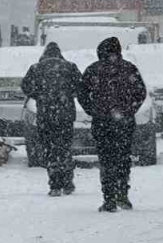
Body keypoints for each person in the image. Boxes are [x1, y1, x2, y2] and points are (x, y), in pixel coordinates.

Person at [78, 37, 147, 212]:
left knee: (106, 160)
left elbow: (82, 93)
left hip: (102, 122)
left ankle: (109, 198)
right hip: (124, 122)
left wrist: (93, 110)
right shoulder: (129, 69)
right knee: (123, 157)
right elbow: (141, 93)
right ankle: (122, 194)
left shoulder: (94, 70)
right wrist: (129, 110)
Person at [21, 43, 84, 196]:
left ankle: (55, 184)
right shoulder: (70, 67)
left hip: (45, 114)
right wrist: (69, 94)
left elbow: (25, 86)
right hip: (65, 114)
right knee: (64, 147)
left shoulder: (36, 68)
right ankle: (68, 182)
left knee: (50, 149)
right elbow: (81, 86)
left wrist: (39, 95)